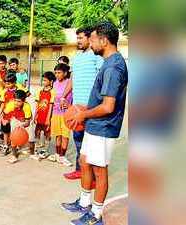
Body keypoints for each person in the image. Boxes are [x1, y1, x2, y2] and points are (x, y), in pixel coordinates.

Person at [61, 22, 128, 225]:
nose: (90, 43)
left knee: (100, 170)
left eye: (92, 39)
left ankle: (96, 215)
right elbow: (101, 99)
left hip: (104, 126)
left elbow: (108, 106)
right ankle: (84, 202)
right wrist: (84, 108)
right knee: (84, 162)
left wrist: (83, 114)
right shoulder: (108, 62)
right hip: (94, 123)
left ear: (104, 40)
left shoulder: (114, 66)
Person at [61, 26, 104, 180]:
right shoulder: (77, 57)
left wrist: (97, 102)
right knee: (78, 139)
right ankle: (80, 170)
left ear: (89, 38)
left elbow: (101, 79)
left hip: (91, 108)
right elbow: (73, 79)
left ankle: (93, 174)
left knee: (91, 143)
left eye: (81, 38)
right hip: (76, 107)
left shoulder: (97, 56)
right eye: (77, 38)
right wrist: (64, 96)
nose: (78, 41)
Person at [0, 90, 35, 164]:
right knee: (14, 138)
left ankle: (32, 153)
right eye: (15, 100)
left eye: (19, 101)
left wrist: (22, 125)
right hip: (15, 119)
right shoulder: (10, 104)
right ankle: (14, 155)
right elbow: (4, 115)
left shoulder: (26, 106)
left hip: (26, 121)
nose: (16, 103)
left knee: (31, 139)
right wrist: (5, 120)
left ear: (23, 101)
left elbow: (28, 122)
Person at [51, 63, 73, 167]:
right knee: (58, 134)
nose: (57, 75)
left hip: (66, 114)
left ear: (65, 73)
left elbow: (73, 98)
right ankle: (57, 154)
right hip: (56, 113)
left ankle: (63, 156)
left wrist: (70, 106)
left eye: (59, 73)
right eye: (55, 73)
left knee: (65, 135)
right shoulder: (54, 83)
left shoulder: (69, 82)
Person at [34, 71, 55, 157]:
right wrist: (35, 115)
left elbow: (51, 106)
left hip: (47, 115)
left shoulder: (53, 92)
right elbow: (37, 104)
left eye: (45, 80)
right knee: (37, 131)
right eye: (43, 80)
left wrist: (48, 118)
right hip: (40, 115)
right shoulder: (39, 91)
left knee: (47, 133)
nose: (44, 82)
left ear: (51, 81)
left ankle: (45, 149)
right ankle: (37, 146)